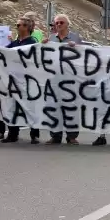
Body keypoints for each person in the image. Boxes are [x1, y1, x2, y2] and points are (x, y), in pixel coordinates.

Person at [0, 17, 40, 144]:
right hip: (14, 81)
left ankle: (34, 134)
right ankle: (12, 133)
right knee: (11, 107)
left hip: (28, 81)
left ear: (27, 28)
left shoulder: (32, 42)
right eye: (16, 25)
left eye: (19, 25)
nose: (17, 27)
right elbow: (1, 52)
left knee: (30, 107)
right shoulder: (15, 43)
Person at [47, 14, 82, 145]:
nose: (59, 25)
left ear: (67, 24)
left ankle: (72, 136)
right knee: (54, 107)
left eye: (61, 22)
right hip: (55, 78)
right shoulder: (51, 39)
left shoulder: (76, 38)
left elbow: (84, 56)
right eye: (57, 23)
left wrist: (77, 47)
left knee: (71, 107)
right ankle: (55, 135)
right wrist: (42, 45)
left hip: (70, 79)